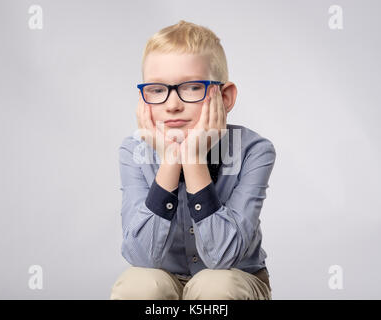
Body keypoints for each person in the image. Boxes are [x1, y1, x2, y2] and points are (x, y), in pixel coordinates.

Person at [110, 20, 276, 300]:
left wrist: (193, 158)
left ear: (224, 97)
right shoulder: (133, 151)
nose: (172, 104)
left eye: (191, 87)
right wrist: (171, 161)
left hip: (234, 281)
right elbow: (140, 255)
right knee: (138, 283)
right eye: (156, 89)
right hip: (165, 281)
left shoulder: (253, 150)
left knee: (216, 285)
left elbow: (224, 257)